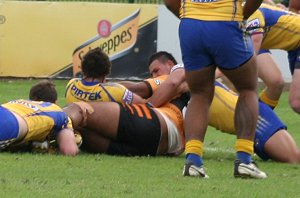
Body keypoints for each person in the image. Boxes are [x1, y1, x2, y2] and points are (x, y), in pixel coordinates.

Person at [163, 0, 266, 178]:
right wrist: (243, 15)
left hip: (191, 25)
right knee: (247, 89)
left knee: (199, 94)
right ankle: (244, 160)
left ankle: (193, 162)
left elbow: (169, 1)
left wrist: (188, 17)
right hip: (226, 21)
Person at [141, 51, 300, 164]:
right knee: (288, 160)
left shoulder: (183, 70)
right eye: (152, 74)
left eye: (156, 71)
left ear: (170, 64)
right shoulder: (186, 87)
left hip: (258, 119)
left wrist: (145, 108)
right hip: (248, 130)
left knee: (294, 158)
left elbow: (174, 84)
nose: (155, 76)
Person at [63, 92, 188, 156]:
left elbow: (142, 88)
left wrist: (112, 87)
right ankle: (48, 142)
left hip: (156, 121)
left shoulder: (172, 75)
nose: (153, 74)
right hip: (157, 148)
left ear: (169, 64)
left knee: (77, 107)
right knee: (80, 131)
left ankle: (46, 120)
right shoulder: (201, 96)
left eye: (156, 70)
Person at [1, 80, 79, 156]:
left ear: (32, 99)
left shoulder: (17, 101)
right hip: (9, 124)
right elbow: (70, 150)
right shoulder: (58, 111)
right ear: (55, 102)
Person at [247, 3, 300, 114]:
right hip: (293, 45)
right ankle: (258, 123)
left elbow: (254, 42)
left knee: (296, 101)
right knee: (275, 82)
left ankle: (257, 122)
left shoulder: (247, 11)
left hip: (255, 38)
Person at [65, 47, 145, 104]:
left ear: (83, 67)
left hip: (75, 127)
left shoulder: (71, 84)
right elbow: (144, 105)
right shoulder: (115, 91)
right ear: (107, 70)